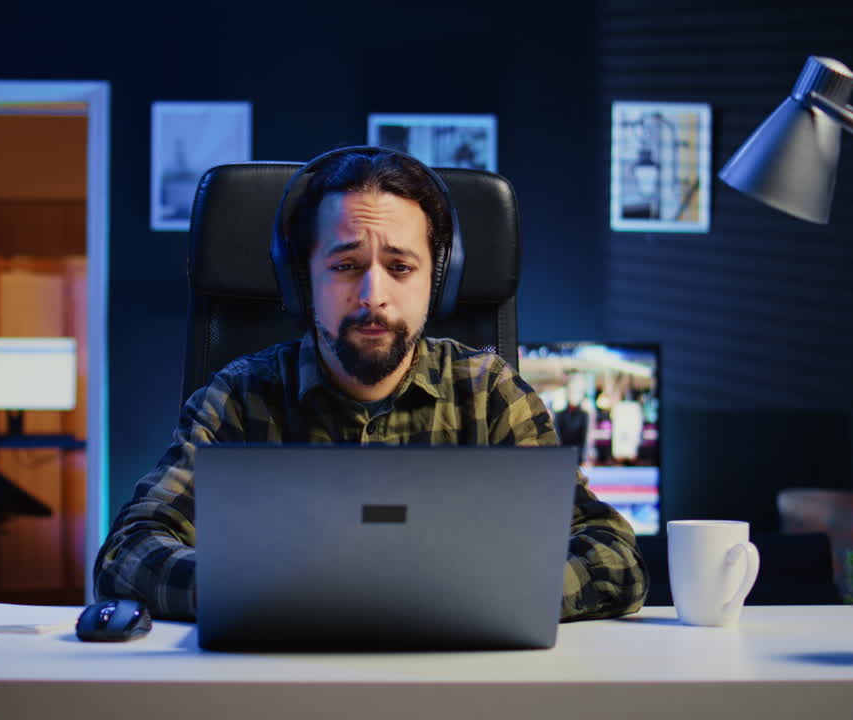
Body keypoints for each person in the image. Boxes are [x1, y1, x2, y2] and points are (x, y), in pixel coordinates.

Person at [94, 147, 648, 622]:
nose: (372, 296)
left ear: (437, 282)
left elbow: (615, 558)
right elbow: (127, 553)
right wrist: (263, 591)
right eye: (345, 266)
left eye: (401, 267)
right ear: (301, 280)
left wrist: (490, 594)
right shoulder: (238, 399)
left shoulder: (490, 396)